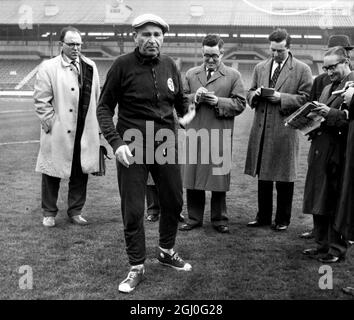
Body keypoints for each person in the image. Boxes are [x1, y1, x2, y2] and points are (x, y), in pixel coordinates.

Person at [97, 13, 192, 294]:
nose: (152, 40)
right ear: (135, 36)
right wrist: (116, 143)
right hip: (132, 145)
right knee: (134, 209)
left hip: (164, 143)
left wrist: (186, 115)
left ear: (163, 38)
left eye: (157, 35)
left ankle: (166, 251)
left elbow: (179, 100)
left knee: (174, 201)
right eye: (146, 34)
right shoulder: (121, 66)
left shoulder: (170, 65)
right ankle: (136, 266)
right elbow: (104, 108)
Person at [244, 28, 313, 231]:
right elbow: (248, 92)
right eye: (272, 50)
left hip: (285, 129)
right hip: (262, 128)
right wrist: (254, 95)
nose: (275, 54)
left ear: (289, 48)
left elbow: (307, 98)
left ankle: (283, 220)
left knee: (284, 177)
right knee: (263, 176)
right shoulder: (260, 67)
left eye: (280, 51)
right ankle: (263, 217)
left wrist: (281, 97)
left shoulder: (302, 69)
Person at [33, 26, 101, 227]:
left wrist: (96, 127)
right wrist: (51, 123)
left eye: (79, 44)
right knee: (52, 172)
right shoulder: (48, 67)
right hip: (59, 129)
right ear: (61, 45)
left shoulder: (90, 66)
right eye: (71, 44)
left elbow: (96, 97)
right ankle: (49, 212)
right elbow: (41, 100)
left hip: (84, 128)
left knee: (81, 172)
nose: (76, 48)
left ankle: (75, 211)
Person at [179, 34, 246, 234]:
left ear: (222, 53)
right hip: (195, 131)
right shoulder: (191, 73)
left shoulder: (233, 75)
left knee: (218, 177)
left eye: (214, 56)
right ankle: (194, 218)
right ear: (202, 52)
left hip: (220, 132)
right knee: (193, 175)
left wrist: (219, 102)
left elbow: (241, 103)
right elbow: (181, 100)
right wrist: (194, 97)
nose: (210, 60)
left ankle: (219, 219)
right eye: (206, 55)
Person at [302, 46, 354, 263]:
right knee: (318, 198)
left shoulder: (352, 85)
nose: (328, 71)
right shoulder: (326, 85)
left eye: (332, 67)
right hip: (320, 149)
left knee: (335, 201)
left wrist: (330, 113)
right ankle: (322, 245)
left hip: (339, 153)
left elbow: (349, 120)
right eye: (325, 67)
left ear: (346, 62)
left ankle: (336, 249)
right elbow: (322, 114)